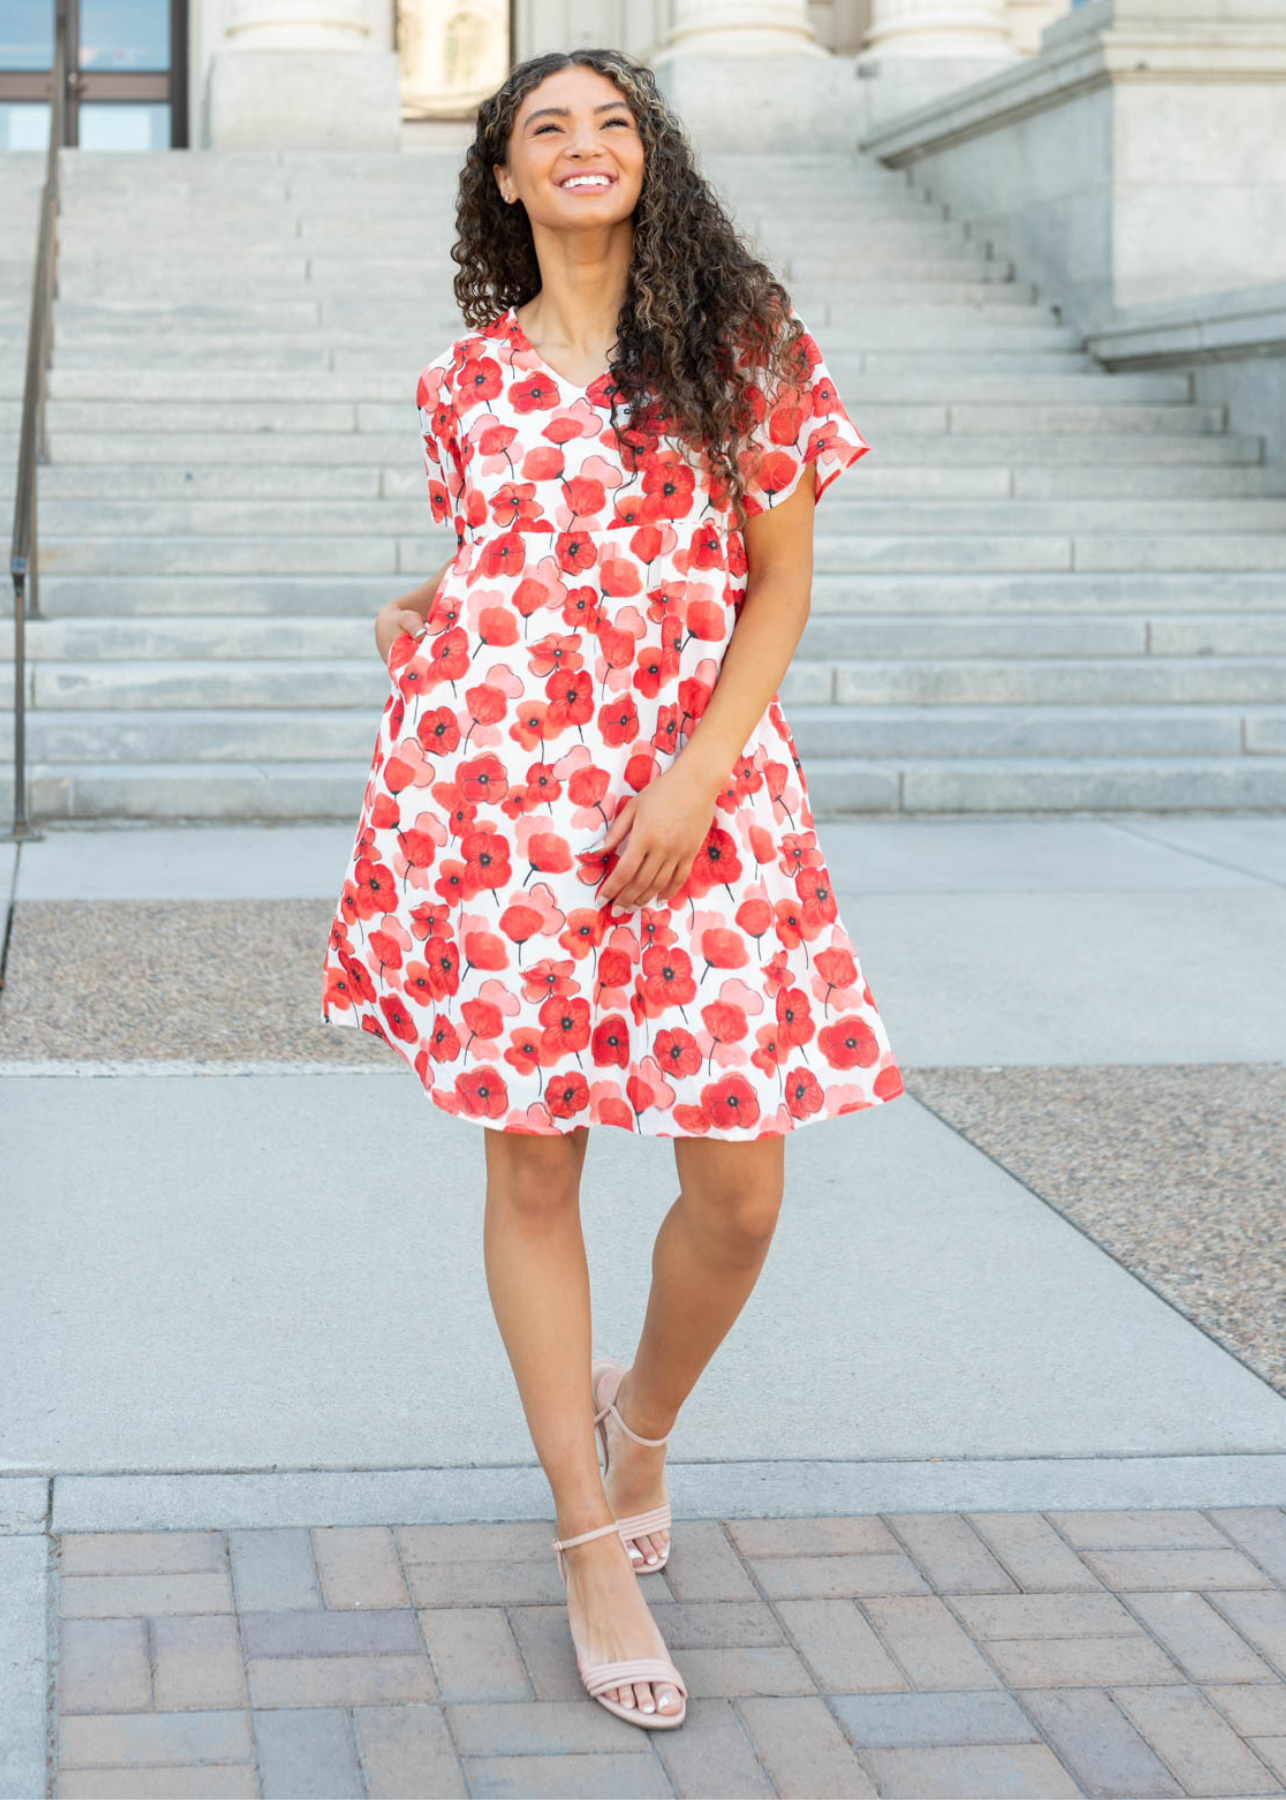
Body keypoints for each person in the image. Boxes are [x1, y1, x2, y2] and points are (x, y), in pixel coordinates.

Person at [319, 45, 904, 1730]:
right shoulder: (461, 381)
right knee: (533, 1164)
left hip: (697, 800)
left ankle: (636, 1423)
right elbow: (511, 542)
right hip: (498, 809)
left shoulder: (744, 346)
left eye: (612, 124)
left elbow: (775, 586)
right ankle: (585, 1533)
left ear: (649, 161)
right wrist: (422, 602)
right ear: (499, 177)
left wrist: (702, 765)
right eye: (544, 129)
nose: (582, 146)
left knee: (737, 1193)